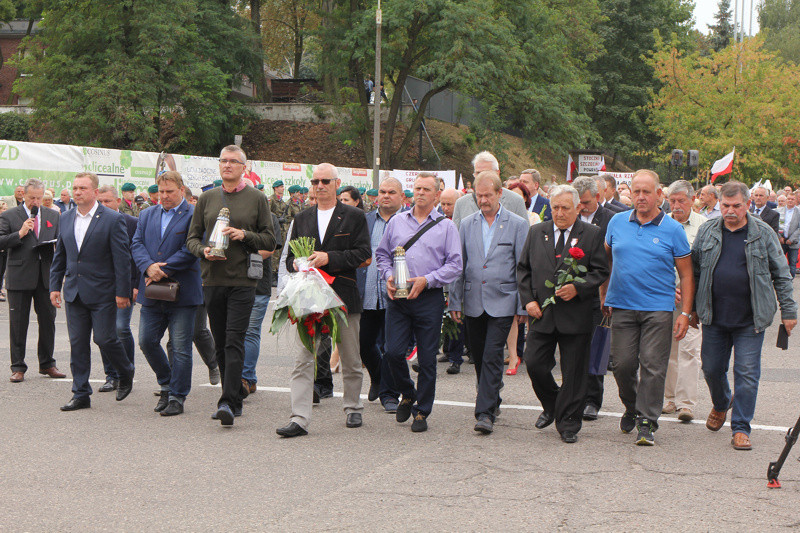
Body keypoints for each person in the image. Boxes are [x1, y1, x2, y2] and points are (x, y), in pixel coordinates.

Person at [692, 181, 797, 450]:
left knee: (747, 374)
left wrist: (789, 310)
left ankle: (740, 427)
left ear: (747, 204)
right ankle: (721, 402)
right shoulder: (707, 231)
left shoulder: (763, 233)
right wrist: (690, 309)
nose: (730, 211)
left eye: (736, 206)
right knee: (712, 369)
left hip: (751, 318)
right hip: (714, 316)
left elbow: (782, 274)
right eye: (725, 205)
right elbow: (693, 273)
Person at [276, 163, 371, 438]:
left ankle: (353, 406)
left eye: (325, 181)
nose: (319, 186)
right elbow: (291, 257)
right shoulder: (303, 217)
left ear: (336, 183)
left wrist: (330, 258)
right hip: (309, 299)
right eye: (315, 181)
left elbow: (363, 254)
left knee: (351, 357)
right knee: (304, 358)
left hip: (343, 294)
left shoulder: (353, 216)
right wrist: (299, 264)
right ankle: (299, 418)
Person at [602, 169, 694, 446]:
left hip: (658, 308)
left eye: (646, 192)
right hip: (622, 306)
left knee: (653, 366)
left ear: (659, 195)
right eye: (636, 191)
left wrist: (685, 314)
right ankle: (631, 406)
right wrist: (604, 291)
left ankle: (646, 421)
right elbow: (605, 259)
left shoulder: (673, 229)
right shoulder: (617, 222)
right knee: (622, 365)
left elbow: (687, 274)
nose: (640, 197)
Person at [186, 145, 275, 426]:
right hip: (213, 279)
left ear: (244, 167)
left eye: (233, 162)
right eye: (223, 161)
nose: (227, 166)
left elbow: (269, 240)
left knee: (235, 339)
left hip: (242, 281)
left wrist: (243, 234)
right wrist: (203, 252)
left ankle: (228, 401)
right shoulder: (207, 198)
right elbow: (192, 239)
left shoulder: (257, 198)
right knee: (221, 341)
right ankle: (231, 394)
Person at [518, 184, 609, 443]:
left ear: (578, 208)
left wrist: (578, 288)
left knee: (574, 373)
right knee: (534, 363)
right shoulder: (537, 232)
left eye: (565, 208)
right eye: (555, 207)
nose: (559, 213)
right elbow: (523, 269)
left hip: (576, 315)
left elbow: (600, 271)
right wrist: (528, 301)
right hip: (542, 314)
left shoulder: (591, 234)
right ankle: (553, 404)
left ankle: (569, 422)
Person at [375, 172, 462, 433]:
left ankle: (422, 411)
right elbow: (382, 255)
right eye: (417, 188)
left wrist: (428, 279)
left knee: (426, 359)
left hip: (428, 298)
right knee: (392, 352)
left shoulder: (446, 226)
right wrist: (389, 276)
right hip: (399, 297)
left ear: (437, 195)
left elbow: (455, 264)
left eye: (426, 189)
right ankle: (408, 392)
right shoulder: (397, 222)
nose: (421, 193)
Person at [449, 171, 529, 434]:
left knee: (494, 353)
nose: (483, 200)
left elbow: (523, 268)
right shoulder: (467, 223)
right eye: (479, 196)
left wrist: (522, 305)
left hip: (504, 300)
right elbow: (458, 264)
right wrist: (455, 300)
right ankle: (492, 399)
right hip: (473, 300)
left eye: (488, 195)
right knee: (479, 355)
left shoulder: (517, 224)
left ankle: (484, 413)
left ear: (499, 194)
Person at [49, 172, 135, 411]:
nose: (77, 192)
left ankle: (126, 370)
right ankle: (80, 393)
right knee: (77, 344)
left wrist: (123, 292)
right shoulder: (65, 218)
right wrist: (55, 286)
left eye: (83, 188)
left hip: (103, 292)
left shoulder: (111, 219)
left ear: (95, 192)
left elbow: (122, 259)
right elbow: (61, 256)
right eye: (75, 188)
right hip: (74, 292)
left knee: (105, 338)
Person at [132, 171, 204, 416]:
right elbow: (137, 243)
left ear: (181, 190)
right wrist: (148, 266)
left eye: (169, 192)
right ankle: (166, 383)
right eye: (160, 192)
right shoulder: (147, 214)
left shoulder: (194, 215)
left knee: (181, 347)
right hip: (152, 289)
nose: (163, 196)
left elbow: (191, 248)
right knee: (146, 341)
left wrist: (164, 269)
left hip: (183, 292)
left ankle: (177, 396)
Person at [0, 178, 65, 382]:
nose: (35, 202)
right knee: (18, 324)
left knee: (48, 321)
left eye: (39, 198)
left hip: (46, 277)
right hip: (19, 277)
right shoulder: (10, 215)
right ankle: (18, 366)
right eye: (31, 198)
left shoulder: (54, 215)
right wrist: (19, 234)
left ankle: (47, 364)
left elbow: (61, 244)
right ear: (23, 196)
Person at [356, 177, 405, 411]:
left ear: (402, 197)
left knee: (391, 347)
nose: (386, 196)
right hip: (366, 294)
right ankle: (377, 376)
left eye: (391, 192)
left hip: (395, 294)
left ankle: (389, 393)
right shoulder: (364, 220)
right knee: (364, 343)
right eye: (382, 192)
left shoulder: (408, 221)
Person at [661, 180, 707, 422]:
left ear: (692, 201)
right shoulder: (661, 223)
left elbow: (706, 266)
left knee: (689, 350)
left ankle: (686, 403)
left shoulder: (704, 226)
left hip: (691, 300)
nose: (676, 205)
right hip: (662, 296)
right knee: (667, 349)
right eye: (672, 201)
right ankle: (668, 398)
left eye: (681, 201)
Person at [571, 176, 615, 421]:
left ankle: (592, 400)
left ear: (597, 197)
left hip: (599, 291)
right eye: (579, 203)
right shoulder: (570, 216)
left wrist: (607, 292)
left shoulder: (612, 219)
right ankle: (573, 395)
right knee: (573, 348)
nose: (582, 207)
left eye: (586, 202)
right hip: (571, 290)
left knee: (595, 346)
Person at [95, 185, 140, 393]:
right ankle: (111, 375)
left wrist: (135, 284)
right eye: (100, 202)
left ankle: (126, 371)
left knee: (121, 328)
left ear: (118, 202)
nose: (104, 206)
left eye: (108, 201)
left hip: (125, 284)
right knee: (105, 331)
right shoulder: (93, 222)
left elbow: (136, 255)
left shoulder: (132, 223)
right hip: (101, 286)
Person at [241, 211, 280, 394]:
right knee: (231, 333)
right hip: (230, 283)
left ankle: (246, 378)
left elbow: (270, 248)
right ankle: (241, 376)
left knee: (250, 331)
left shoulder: (268, 217)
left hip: (257, 284)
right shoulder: (227, 215)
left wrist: (240, 259)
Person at [452, 152, 529, 226]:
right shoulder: (461, 204)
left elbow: (524, 236)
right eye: (478, 173)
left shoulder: (516, 201)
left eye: (486, 172)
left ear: (497, 173)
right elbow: (456, 237)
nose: (482, 177)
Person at [781, 193, 800, 277]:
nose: (790, 201)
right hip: (781, 241)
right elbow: (776, 225)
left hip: (793, 242)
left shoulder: (798, 212)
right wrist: (780, 237)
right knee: (780, 262)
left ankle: (790, 281)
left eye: (792, 199)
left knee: (792, 264)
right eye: (788, 199)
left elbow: (799, 228)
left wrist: (791, 239)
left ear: (796, 200)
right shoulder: (779, 211)